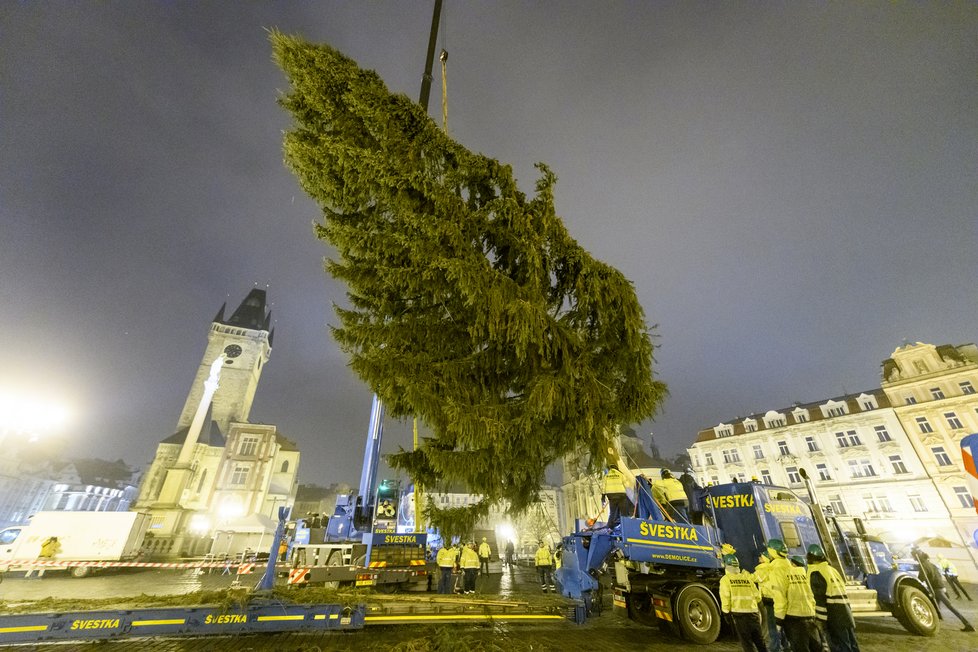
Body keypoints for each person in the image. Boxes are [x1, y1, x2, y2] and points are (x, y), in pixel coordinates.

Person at [767, 539, 823, 651]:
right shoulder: (799, 571)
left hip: (793, 618)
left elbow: (780, 599)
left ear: (772, 552)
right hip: (809, 615)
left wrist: (778, 621)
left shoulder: (777, 572)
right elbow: (810, 593)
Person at [807, 544, 858, 652]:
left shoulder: (815, 572)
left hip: (833, 616)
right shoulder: (832, 570)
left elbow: (819, 598)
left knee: (839, 646)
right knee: (852, 645)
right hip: (845, 613)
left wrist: (820, 620)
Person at [719, 552, 768, 652]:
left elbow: (726, 598)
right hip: (753, 614)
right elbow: (757, 596)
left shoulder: (726, 579)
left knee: (747, 643)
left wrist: (726, 613)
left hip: (740, 616)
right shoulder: (747, 578)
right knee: (759, 641)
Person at [917, 550, 975, 631]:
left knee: (950, 606)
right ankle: (936, 622)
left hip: (936, 589)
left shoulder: (923, 565)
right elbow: (938, 575)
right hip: (940, 587)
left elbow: (921, 578)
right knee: (935, 606)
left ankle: (968, 624)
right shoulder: (931, 564)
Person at [755, 549, 782, 652]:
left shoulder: (763, 569)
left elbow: (754, 578)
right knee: (778, 624)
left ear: (765, 559)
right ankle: (784, 645)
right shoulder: (771, 568)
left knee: (772, 626)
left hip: (770, 600)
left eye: (761, 556)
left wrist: (741, 573)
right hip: (775, 599)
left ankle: (775, 648)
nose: (759, 558)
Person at [602, 464, 634, 529]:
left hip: (611, 496)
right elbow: (627, 485)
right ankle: (626, 526)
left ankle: (609, 527)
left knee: (612, 512)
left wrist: (603, 496)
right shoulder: (620, 474)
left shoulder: (606, 476)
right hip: (621, 495)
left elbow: (603, 487)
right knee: (623, 512)